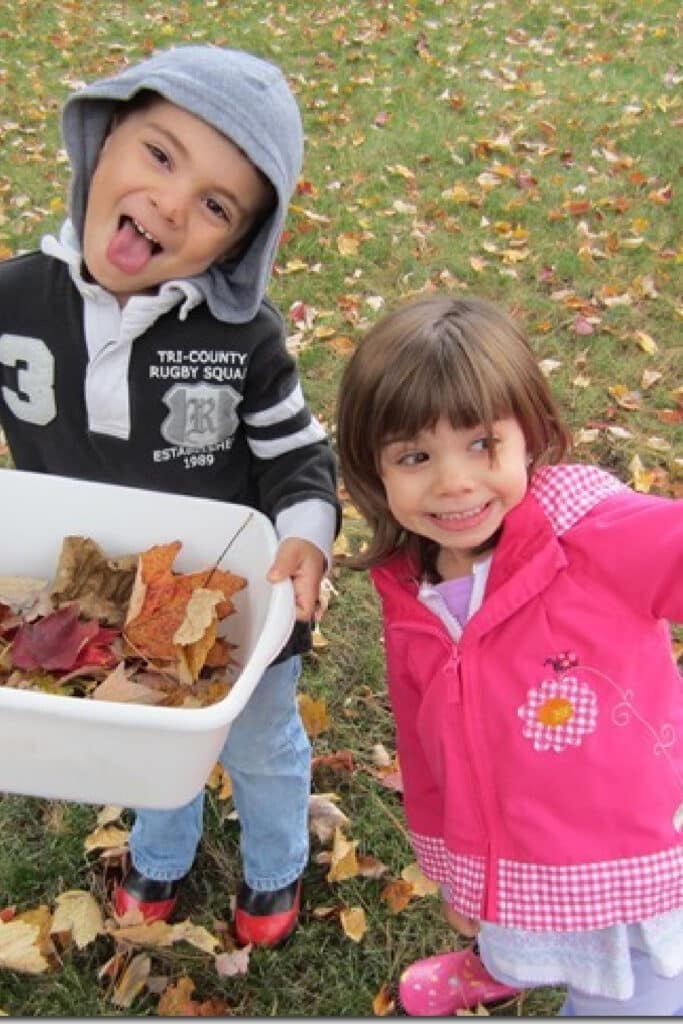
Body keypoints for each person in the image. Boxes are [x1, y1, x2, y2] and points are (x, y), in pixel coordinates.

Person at [0, 45, 339, 948]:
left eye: (216, 204)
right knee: (146, 738)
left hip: (232, 606)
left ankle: (273, 867)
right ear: (101, 138)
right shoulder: (14, 299)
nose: (172, 203)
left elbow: (297, 456)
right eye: (159, 155)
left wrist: (305, 537)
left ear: (238, 243)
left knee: (261, 747)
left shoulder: (241, 340)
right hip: (98, 604)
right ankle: (162, 848)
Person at [336, 294, 683, 1016]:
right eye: (414, 456)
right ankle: (505, 961)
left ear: (531, 435)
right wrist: (458, 873)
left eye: (480, 444)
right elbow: (424, 744)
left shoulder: (592, 534)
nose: (454, 481)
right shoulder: (411, 584)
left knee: (625, 999)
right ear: (373, 470)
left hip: (631, 860)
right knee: (511, 925)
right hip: (510, 850)